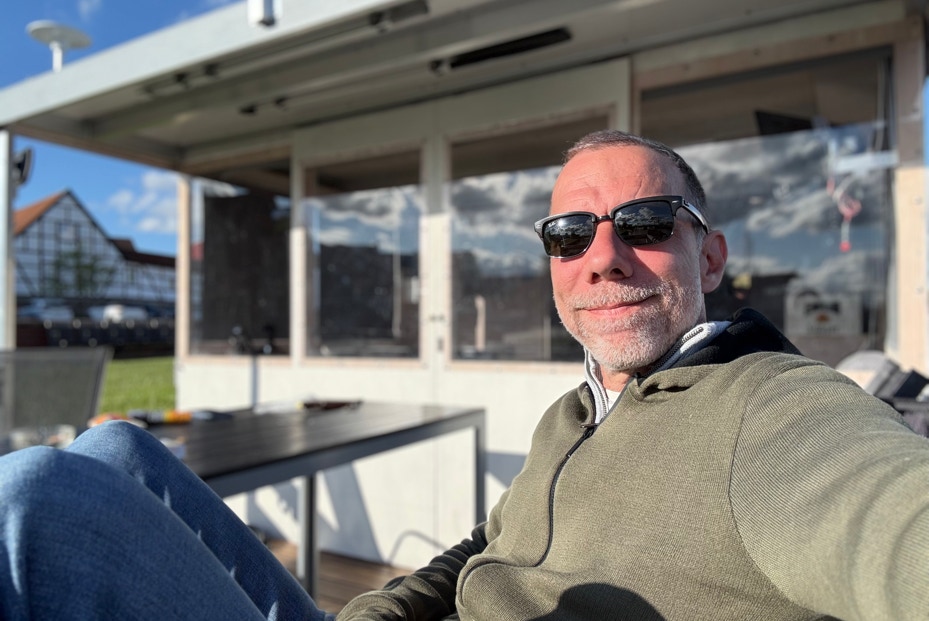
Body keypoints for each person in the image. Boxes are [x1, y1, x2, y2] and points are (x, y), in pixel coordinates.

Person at [0, 129, 925, 621]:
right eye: (569, 235)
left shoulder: (768, 408)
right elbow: (486, 544)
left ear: (709, 255)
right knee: (117, 453)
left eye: (645, 224)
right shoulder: (575, 413)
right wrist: (378, 610)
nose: (602, 257)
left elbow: (890, 524)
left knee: (40, 503)